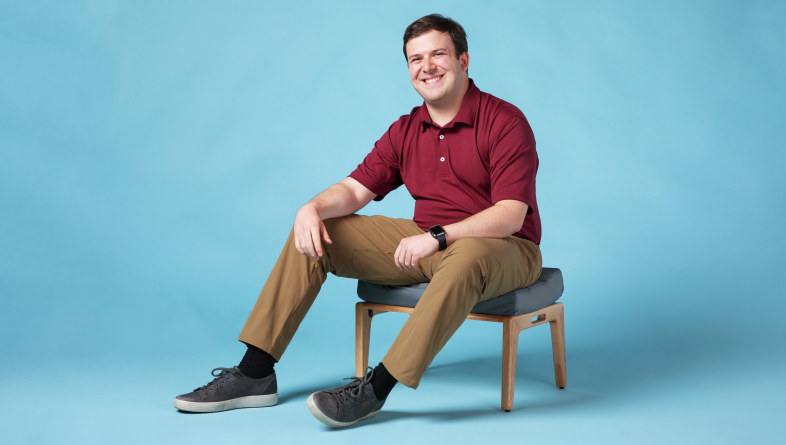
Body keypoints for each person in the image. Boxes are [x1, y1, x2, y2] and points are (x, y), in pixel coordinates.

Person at [173, 13, 543, 428]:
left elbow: (511, 215)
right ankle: (255, 373)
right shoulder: (406, 129)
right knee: (321, 228)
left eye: (438, 54)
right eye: (415, 59)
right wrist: (308, 209)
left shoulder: (504, 121)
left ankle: (374, 390)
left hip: (506, 249)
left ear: (464, 60)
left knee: (468, 254)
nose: (427, 66)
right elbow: (353, 191)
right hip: (428, 243)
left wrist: (439, 237)